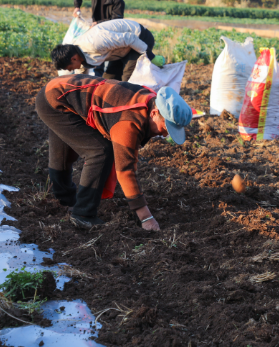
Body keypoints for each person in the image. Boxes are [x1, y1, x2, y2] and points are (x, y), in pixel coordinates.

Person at [36, 75, 192, 230]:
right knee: (100, 151)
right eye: (165, 129)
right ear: (154, 113)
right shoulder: (129, 120)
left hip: (61, 92)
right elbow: (125, 170)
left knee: (64, 152)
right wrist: (146, 218)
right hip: (55, 99)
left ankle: (65, 200)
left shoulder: (152, 100)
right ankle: (83, 214)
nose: (164, 135)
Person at [51, 19, 165, 82]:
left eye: (71, 68)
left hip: (139, 37)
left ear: (73, 58)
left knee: (128, 79)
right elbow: (82, 74)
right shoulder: (77, 54)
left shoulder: (96, 42)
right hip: (119, 49)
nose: (73, 70)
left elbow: (130, 38)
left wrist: (151, 56)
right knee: (109, 80)